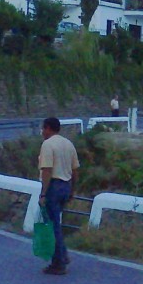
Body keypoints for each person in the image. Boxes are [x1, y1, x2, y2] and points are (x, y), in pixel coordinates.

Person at [38, 116, 80, 275]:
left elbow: (47, 170)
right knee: (56, 223)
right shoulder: (68, 144)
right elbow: (75, 169)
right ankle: (63, 254)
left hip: (54, 187)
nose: (42, 132)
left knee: (52, 226)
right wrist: (73, 190)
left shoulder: (48, 145)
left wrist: (43, 193)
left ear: (48, 128)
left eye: (43, 128)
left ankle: (59, 263)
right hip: (66, 185)